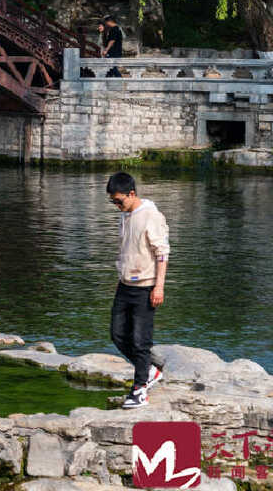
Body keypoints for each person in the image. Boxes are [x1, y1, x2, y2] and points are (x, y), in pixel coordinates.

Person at [106, 172, 168, 409]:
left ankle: (140, 389)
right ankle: (150, 370)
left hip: (146, 286)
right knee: (118, 334)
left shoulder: (150, 216)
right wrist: (120, 276)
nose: (117, 206)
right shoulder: (126, 215)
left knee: (141, 340)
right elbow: (126, 250)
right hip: (124, 285)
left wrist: (159, 287)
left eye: (119, 201)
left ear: (132, 194)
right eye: (113, 202)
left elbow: (162, 253)